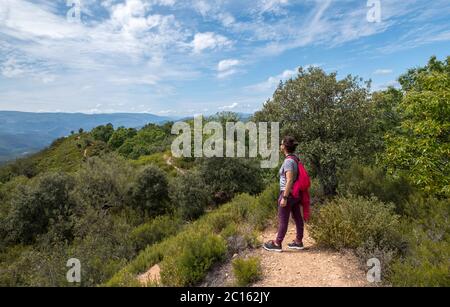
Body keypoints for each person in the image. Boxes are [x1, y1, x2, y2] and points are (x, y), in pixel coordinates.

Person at [263, 136, 305, 252]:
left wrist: (284, 197)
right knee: (297, 218)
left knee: (283, 219)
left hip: (288, 194)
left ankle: (277, 243)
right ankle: (298, 241)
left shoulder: (288, 161)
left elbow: (289, 180)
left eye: (281, 144)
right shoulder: (295, 158)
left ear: (285, 147)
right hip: (295, 194)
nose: (280, 146)